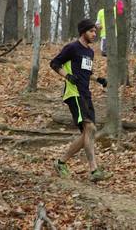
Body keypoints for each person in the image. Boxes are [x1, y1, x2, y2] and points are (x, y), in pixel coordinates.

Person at [50, 19, 112, 182]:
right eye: (91, 31)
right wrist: (68, 76)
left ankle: (61, 162)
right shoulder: (72, 48)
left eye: (95, 32)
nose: (94, 34)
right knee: (90, 128)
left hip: (85, 94)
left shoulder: (90, 52)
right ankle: (94, 170)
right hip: (73, 93)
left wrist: (98, 79)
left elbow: (86, 72)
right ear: (83, 31)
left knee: (88, 132)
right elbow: (54, 63)